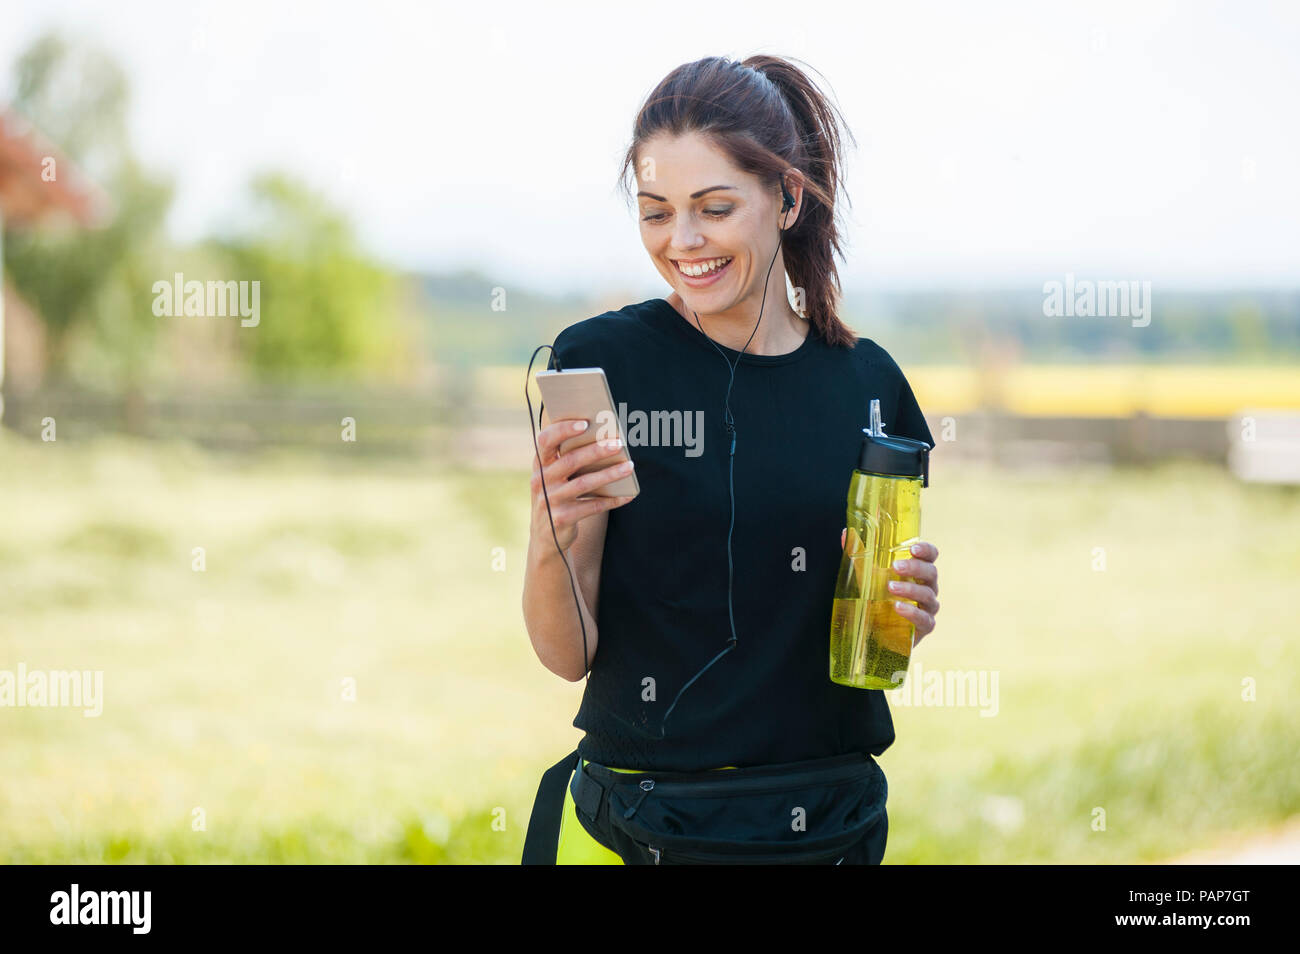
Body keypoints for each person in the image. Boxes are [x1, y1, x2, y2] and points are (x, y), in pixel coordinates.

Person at [521, 54, 940, 865]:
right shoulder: (605, 365)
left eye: (714, 208)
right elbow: (565, 656)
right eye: (654, 213)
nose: (683, 243)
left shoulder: (870, 384)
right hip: (649, 825)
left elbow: (865, 640)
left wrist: (907, 614)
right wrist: (549, 536)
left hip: (828, 821)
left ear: (786, 198)